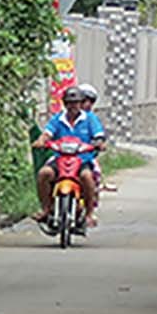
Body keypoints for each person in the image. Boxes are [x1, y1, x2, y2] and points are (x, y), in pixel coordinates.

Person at [34, 84, 105, 228]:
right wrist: (41, 141)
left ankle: (89, 214)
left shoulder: (90, 119)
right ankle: (46, 209)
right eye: (69, 103)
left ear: (80, 103)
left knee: (87, 177)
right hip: (59, 158)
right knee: (44, 173)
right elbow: (47, 134)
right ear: (64, 104)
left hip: (83, 159)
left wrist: (99, 143)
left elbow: (98, 135)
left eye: (76, 103)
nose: (73, 106)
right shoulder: (58, 119)